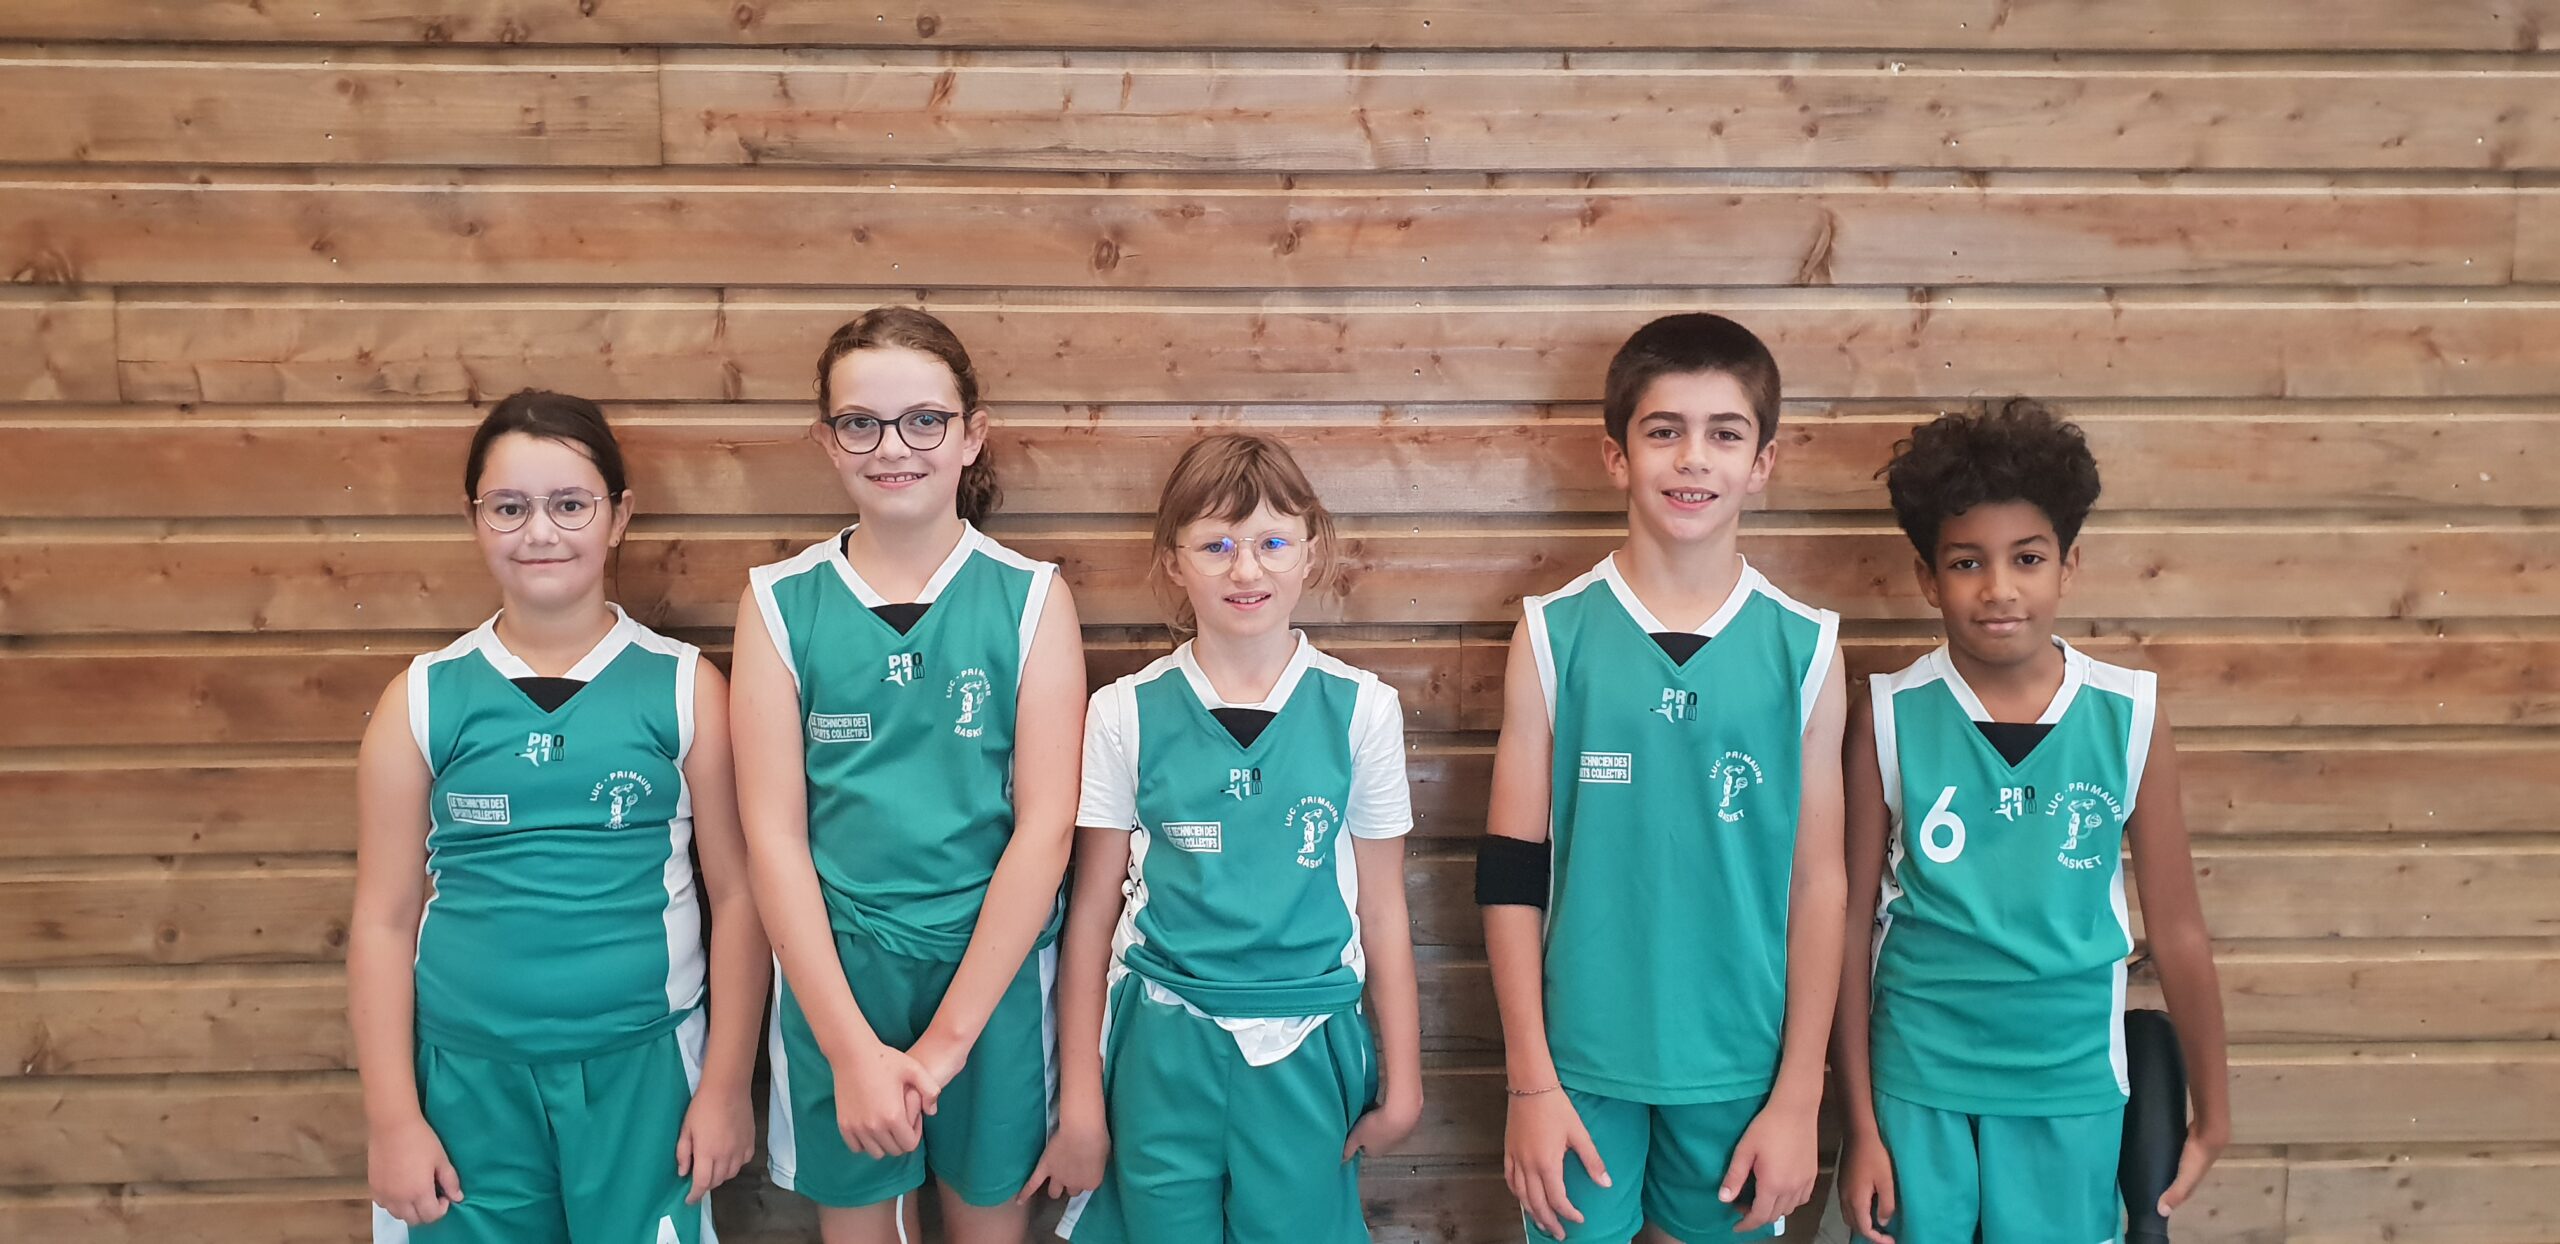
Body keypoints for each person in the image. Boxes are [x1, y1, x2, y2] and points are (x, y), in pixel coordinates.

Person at [352, 389, 765, 1243]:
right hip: (466, 1079)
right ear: (474, 519)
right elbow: (383, 921)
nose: (540, 531)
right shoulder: (421, 700)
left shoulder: (686, 689)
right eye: (509, 507)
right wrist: (392, 1119)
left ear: (619, 517)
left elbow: (739, 896)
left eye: (570, 504)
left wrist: (726, 1086)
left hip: (644, 1068)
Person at [1480, 314, 1847, 1242]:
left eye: (1725, 433)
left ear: (1762, 461)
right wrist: (1530, 1082)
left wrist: (1800, 1096)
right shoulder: (1552, 633)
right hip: (1578, 1066)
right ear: (1617, 456)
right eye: (1664, 430)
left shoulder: (1806, 648)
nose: (1693, 458)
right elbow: (1511, 870)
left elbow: (1819, 884)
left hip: (1741, 1068)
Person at [1831, 399, 2230, 1244]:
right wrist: (1860, 1128)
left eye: (2028, 558)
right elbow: (1848, 927)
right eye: (1967, 562)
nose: (2000, 588)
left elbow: (2179, 930)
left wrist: (2216, 1111)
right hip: (1919, 1081)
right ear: (1927, 578)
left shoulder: (2129, 714)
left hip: (2070, 1080)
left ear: (2068, 566)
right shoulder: (1888, 716)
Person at [729, 308, 1086, 1243]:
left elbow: (1046, 829)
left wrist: (945, 1046)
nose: (893, 447)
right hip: (839, 979)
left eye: (924, 420)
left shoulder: (1032, 599)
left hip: (992, 978)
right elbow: (773, 838)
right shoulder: (778, 603)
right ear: (827, 440)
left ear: (972, 434)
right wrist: (852, 1050)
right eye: (861, 423)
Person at [1052, 433, 1424, 1243]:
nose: (1245, 569)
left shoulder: (1362, 709)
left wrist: (1406, 1083)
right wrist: (1080, 1099)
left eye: (1270, 543)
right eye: (1216, 546)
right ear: (1174, 560)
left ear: (1310, 551)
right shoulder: (1124, 712)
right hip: (1162, 1037)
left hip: (1307, 1038)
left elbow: (1383, 908)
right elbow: (1090, 914)